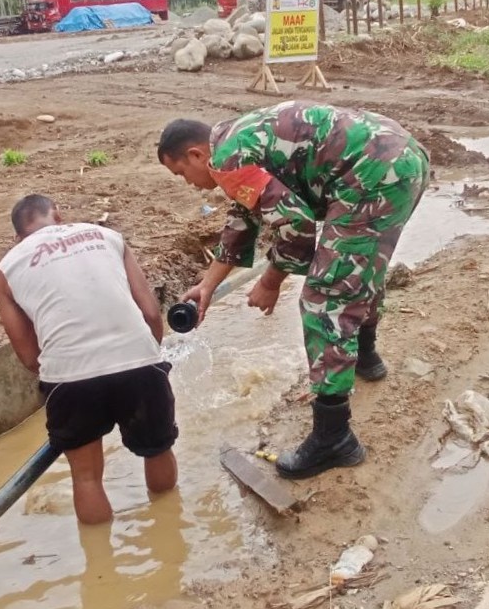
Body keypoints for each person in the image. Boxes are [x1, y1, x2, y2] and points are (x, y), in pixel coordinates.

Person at [157, 100, 429, 480]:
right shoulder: (234, 139)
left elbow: (296, 224)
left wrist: (271, 281)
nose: (188, 183)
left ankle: (334, 437)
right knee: (360, 266)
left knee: (325, 298)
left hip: (371, 175)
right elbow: (245, 215)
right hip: (400, 156)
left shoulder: (228, 160)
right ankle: (365, 357)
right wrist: (207, 284)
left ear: (196, 153)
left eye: (182, 172)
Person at [0, 194, 178, 524]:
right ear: (58, 216)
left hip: (69, 374)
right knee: (158, 449)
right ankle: (169, 534)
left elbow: (28, 356)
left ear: (18, 236)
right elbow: (150, 311)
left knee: (86, 478)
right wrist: (147, 356)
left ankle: (101, 569)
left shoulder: (6, 270)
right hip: (137, 358)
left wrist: (63, 372)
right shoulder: (107, 237)